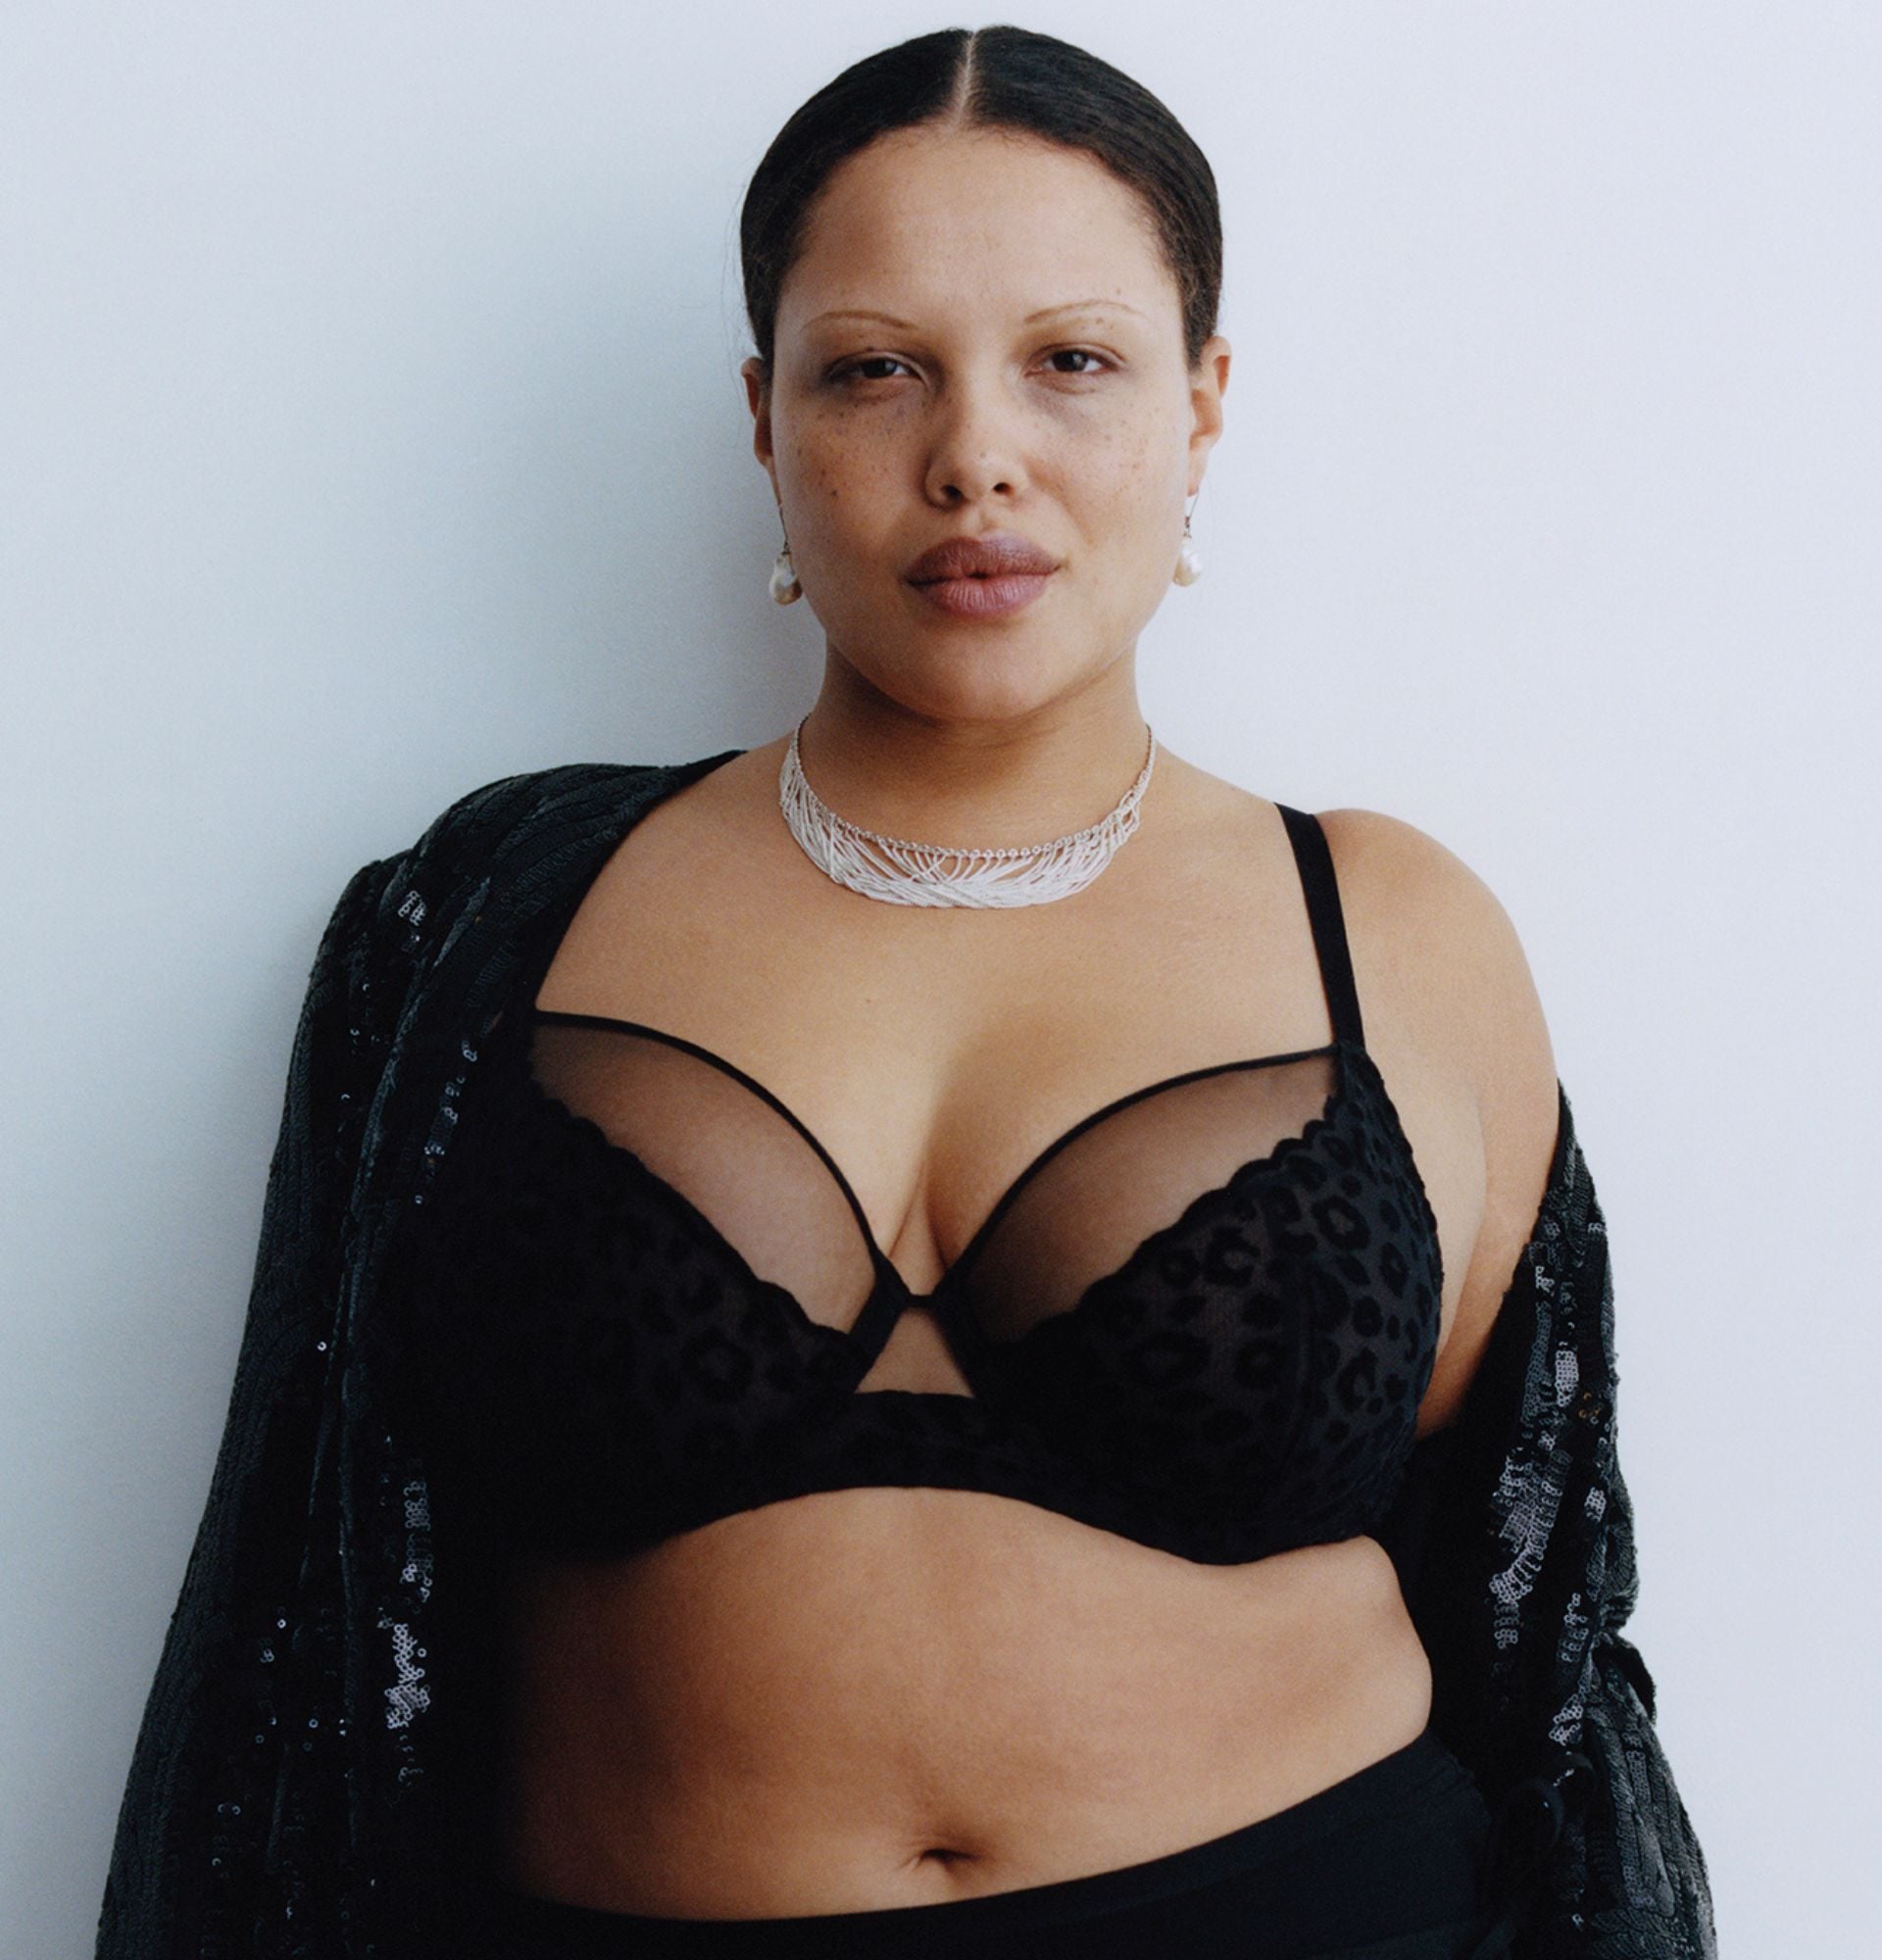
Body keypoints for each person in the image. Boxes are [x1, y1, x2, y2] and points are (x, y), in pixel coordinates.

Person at [95, 25, 1717, 1960]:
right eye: (875, 369)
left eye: (1074, 362)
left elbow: (1536, 1623)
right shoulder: (486, 922)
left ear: (1201, 409)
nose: (976, 455)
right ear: (763, 419)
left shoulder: (1394, 930)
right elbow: (301, 1607)